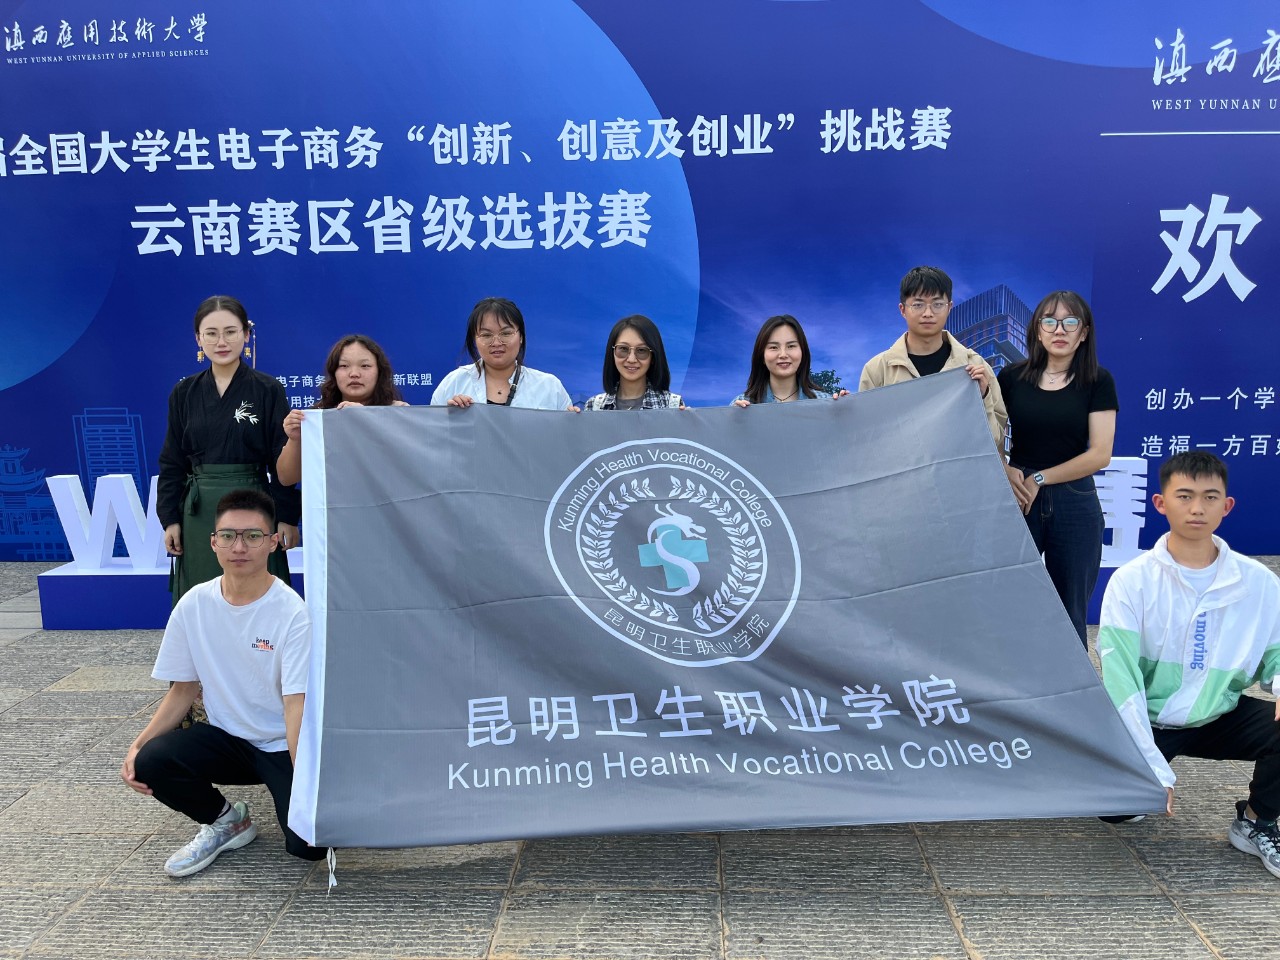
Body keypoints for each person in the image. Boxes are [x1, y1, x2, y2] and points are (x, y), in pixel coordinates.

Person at [121, 489, 327, 877]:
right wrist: (137, 745)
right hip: (225, 741)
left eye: (252, 536)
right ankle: (226, 821)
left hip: (280, 744)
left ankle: (307, 805)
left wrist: (306, 784)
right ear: (213, 542)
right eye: (229, 536)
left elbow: (296, 705)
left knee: (310, 846)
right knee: (149, 761)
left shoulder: (293, 614)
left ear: (272, 542)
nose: (239, 547)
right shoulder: (194, 604)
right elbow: (183, 690)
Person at [1098, 452, 1280, 877]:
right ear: (1161, 503)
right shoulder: (1132, 581)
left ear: (1226, 506)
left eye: (1209, 497)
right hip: (1150, 719)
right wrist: (1153, 767)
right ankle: (1137, 783)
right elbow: (1121, 683)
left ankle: (1256, 822)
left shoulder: (1259, 583)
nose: (1197, 508)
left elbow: (1277, 653)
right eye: (1185, 496)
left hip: (1218, 715)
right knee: (1115, 810)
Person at [158, 295, 297, 606]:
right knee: (203, 598)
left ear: (246, 335)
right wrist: (170, 518)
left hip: (255, 503)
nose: (221, 342)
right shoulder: (184, 392)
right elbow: (172, 461)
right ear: (198, 339)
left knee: (257, 595)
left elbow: (281, 460)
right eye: (211, 333)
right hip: (199, 512)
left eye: (231, 332)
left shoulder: (268, 389)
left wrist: (287, 516)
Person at [997, 291, 1117, 645]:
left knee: (1070, 611)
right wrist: (1006, 468)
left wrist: (1040, 477)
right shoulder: (1011, 377)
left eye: (1070, 322)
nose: (1059, 329)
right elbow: (990, 434)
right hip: (1018, 496)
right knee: (1008, 604)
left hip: (1074, 499)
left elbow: (1100, 454)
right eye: (1049, 321)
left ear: (1084, 332)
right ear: (1037, 330)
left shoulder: (1098, 381)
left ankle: (1073, 682)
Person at [858, 266, 1007, 447]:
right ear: (902, 309)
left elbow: (995, 440)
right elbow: (865, 438)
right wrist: (842, 411)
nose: (928, 313)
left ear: (949, 307)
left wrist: (983, 396)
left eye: (937, 304)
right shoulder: (877, 369)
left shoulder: (976, 366)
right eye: (918, 304)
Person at [276, 334, 408, 486]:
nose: (354, 373)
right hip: (332, 501)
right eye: (344, 366)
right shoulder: (318, 417)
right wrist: (295, 440)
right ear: (334, 373)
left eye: (365, 366)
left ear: (379, 371)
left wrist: (368, 419)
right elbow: (286, 478)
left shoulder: (399, 412)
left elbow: (409, 467)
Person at [431, 297, 572, 410]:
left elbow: (568, 436)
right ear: (475, 339)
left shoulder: (550, 387)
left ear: (521, 337)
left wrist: (574, 422)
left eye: (506, 333)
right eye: (486, 335)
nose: (497, 343)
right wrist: (449, 419)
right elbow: (432, 434)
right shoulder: (453, 383)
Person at [731, 315, 837, 406]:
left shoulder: (825, 402)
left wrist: (843, 407)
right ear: (762, 356)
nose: (783, 355)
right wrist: (731, 419)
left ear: (802, 352)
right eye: (773, 347)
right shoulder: (741, 405)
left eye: (791, 346)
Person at [581, 315, 683, 410]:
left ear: (653, 356)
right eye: (623, 349)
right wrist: (573, 420)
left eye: (641, 350)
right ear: (612, 353)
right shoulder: (594, 406)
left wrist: (687, 421)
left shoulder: (672, 405)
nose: (631, 359)